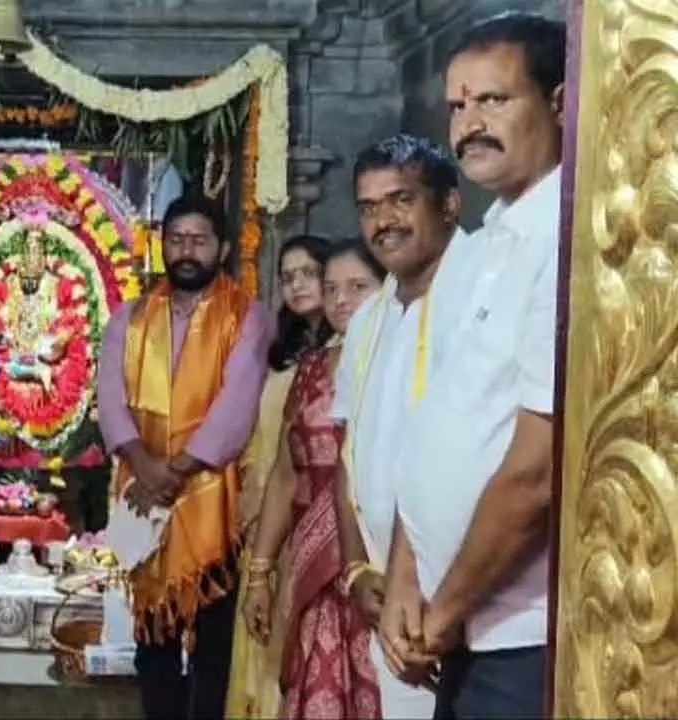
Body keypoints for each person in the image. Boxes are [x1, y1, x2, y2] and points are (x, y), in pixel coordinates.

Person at [381, 13, 565, 718]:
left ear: (559, 102)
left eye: (494, 100)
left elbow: (536, 471)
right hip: (452, 621)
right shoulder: (487, 242)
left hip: (519, 635)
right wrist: (405, 574)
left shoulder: (566, 242)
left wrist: (444, 607)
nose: (469, 123)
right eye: (458, 105)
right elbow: (437, 429)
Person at [97, 193, 271, 720]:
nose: (186, 251)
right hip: (145, 498)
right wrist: (145, 467)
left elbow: (236, 407)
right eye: (177, 240)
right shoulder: (129, 319)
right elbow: (110, 401)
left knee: (213, 643)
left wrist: (174, 470)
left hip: (211, 500)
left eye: (199, 240)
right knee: (154, 641)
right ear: (163, 245)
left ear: (220, 248)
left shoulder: (248, 317)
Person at [330, 134, 466, 719]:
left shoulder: (482, 294)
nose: (383, 221)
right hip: (389, 598)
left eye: (401, 199)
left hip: (471, 597)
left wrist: (440, 595)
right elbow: (348, 455)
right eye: (368, 207)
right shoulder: (370, 319)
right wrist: (358, 567)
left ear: (450, 204)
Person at [242, 238, 385, 719]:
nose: (341, 300)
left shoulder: (401, 364)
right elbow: (287, 472)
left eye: (358, 287)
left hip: (379, 564)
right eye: (332, 289)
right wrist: (259, 574)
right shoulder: (310, 370)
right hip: (312, 571)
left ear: (387, 289)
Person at [227, 234, 333, 719]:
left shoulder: (346, 350)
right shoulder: (279, 350)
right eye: (287, 276)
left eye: (309, 273)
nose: (297, 285)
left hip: (317, 516)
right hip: (267, 509)